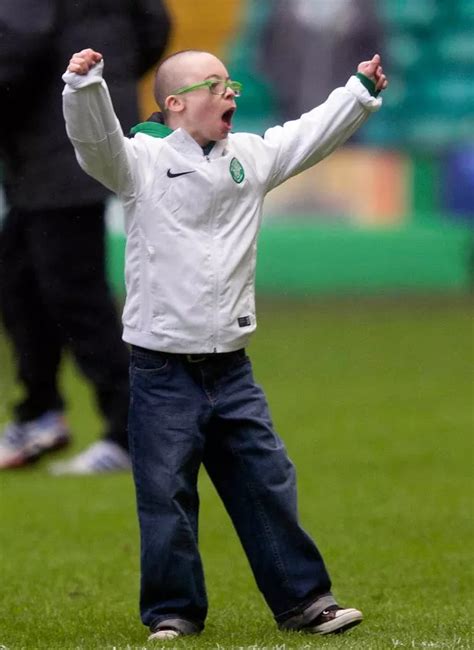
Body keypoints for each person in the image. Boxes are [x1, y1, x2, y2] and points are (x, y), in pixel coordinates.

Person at [62, 46, 387, 639]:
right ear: (177, 105)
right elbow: (96, 145)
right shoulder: (141, 164)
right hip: (160, 371)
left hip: (231, 369)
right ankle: (173, 612)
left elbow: (306, 136)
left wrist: (358, 94)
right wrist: (85, 88)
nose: (231, 93)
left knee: (267, 481)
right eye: (216, 85)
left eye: (231, 83)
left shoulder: (251, 157)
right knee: (166, 497)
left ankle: (305, 602)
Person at [0, 0, 171, 473]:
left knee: (74, 296)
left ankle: (130, 431)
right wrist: (108, 84)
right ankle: (39, 411)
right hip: (69, 140)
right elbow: (154, 25)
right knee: (20, 279)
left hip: (55, 145)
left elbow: (18, 43)